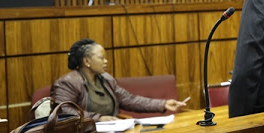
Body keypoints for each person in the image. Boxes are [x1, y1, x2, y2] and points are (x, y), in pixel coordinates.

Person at [50, 38, 185, 121]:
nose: (106, 61)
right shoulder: (67, 82)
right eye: (101, 58)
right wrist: (98, 119)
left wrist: (162, 104)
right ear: (87, 61)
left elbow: (129, 100)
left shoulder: (106, 79)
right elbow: (64, 112)